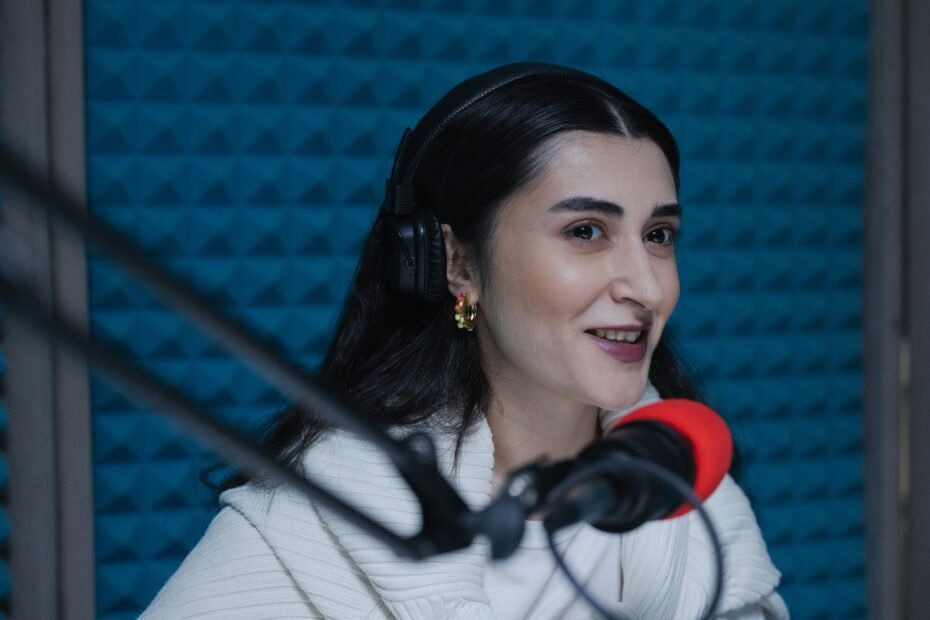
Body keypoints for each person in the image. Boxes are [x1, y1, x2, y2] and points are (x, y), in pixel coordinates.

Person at [141, 63, 787, 619]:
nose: (648, 288)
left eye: (659, 236)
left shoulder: (696, 499)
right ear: (458, 264)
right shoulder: (317, 522)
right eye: (587, 232)